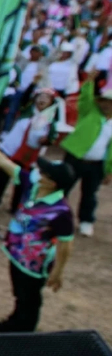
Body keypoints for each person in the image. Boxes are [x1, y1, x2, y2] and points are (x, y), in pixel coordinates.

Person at [0, 129, 75, 333]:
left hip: (35, 263)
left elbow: (66, 244)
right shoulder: (32, 184)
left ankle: (24, 333)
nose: (38, 171)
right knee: (19, 293)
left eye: (44, 172)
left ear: (51, 183)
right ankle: (14, 322)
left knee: (30, 298)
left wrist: (58, 272)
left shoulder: (61, 211)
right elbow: (4, 163)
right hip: (17, 253)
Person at [0, 87, 63, 212]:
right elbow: (23, 98)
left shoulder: (49, 121)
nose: (42, 99)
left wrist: (46, 141)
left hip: (28, 155)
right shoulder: (27, 111)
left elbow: (52, 137)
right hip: (10, 149)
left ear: (51, 102)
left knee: (21, 181)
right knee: (2, 176)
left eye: (47, 98)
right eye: (40, 96)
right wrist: (33, 84)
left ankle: (15, 206)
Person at [59, 77, 112, 237]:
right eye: (104, 101)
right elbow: (85, 97)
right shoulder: (89, 111)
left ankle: (86, 221)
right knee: (63, 187)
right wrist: (90, 80)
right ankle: (55, 215)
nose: (106, 104)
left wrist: (109, 170)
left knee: (90, 193)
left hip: (96, 164)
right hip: (75, 157)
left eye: (109, 102)